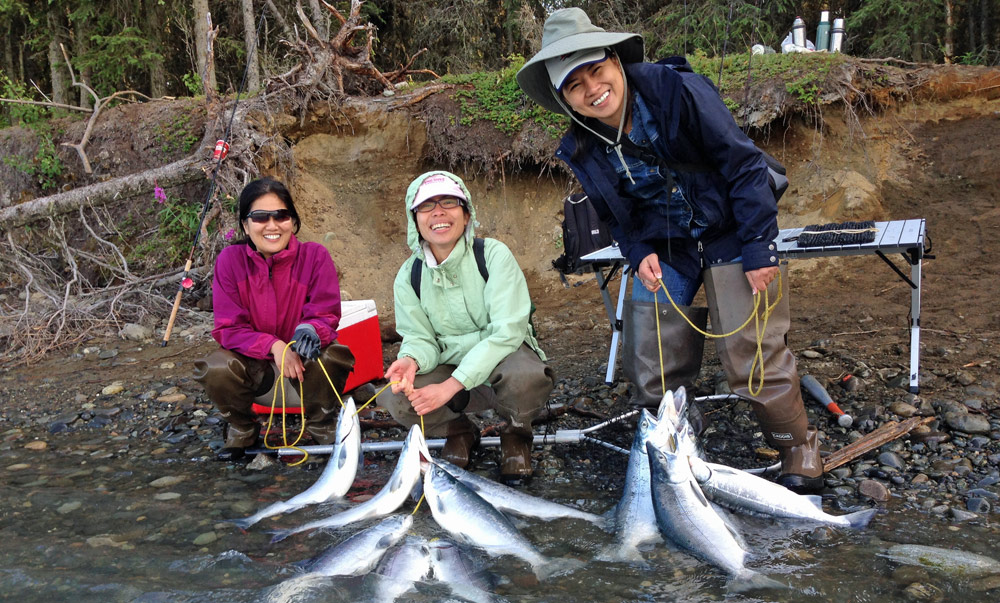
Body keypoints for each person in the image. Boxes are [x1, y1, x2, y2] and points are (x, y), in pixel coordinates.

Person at [516, 8, 823, 493]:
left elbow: (743, 166)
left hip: (730, 230)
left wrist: (760, 247)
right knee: (651, 357)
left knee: (751, 353)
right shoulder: (580, 146)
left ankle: (796, 445)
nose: (592, 88)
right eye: (574, 85)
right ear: (563, 98)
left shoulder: (676, 89)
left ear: (616, 61)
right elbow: (615, 215)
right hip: (667, 245)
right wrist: (637, 253)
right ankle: (681, 432)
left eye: (596, 70)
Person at [377, 171, 554, 479]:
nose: (438, 212)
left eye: (449, 202)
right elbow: (420, 338)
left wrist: (450, 386)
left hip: (501, 365)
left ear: (466, 213)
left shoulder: (494, 255)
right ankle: (458, 430)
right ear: (414, 218)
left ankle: (516, 435)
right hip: (451, 372)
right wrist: (410, 359)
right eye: (427, 206)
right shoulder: (409, 275)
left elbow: (507, 332)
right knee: (397, 396)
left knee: (526, 374)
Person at [194, 177, 355, 460]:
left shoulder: (315, 256)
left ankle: (322, 425)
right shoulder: (230, 262)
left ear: (292, 221)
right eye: (260, 217)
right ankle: (242, 429)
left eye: (281, 215)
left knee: (335, 354)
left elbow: (326, 313)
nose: (272, 225)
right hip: (260, 379)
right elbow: (228, 328)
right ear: (245, 225)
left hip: (304, 378)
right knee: (216, 367)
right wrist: (275, 346)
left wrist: (309, 331)